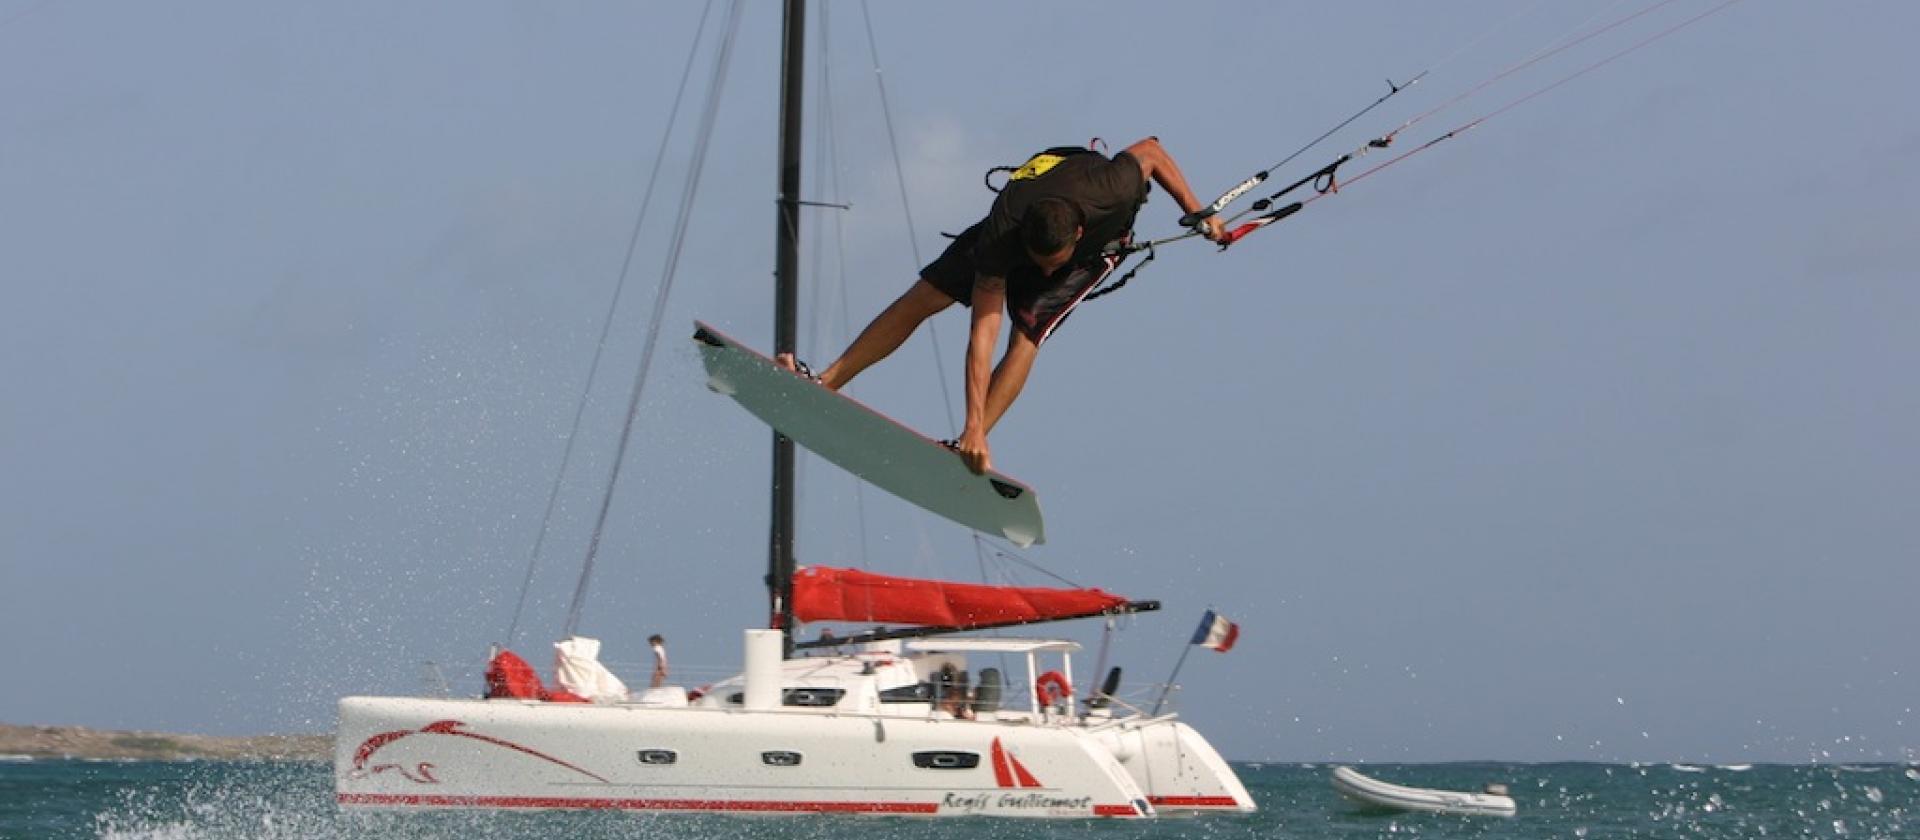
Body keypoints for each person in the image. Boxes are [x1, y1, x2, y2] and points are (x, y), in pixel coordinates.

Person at [780, 137, 1225, 474]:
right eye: (1038, 264)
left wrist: (1198, 210)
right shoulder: (1002, 235)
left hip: (1095, 249)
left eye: (1052, 264)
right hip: (1014, 232)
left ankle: (968, 444)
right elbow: (981, 335)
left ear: (1075, 233)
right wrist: (969, 416)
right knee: (926, 296)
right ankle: (828, 381)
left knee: (1029, 329)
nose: (1045, 272)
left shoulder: (1111, 187)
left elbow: (1151, 151)